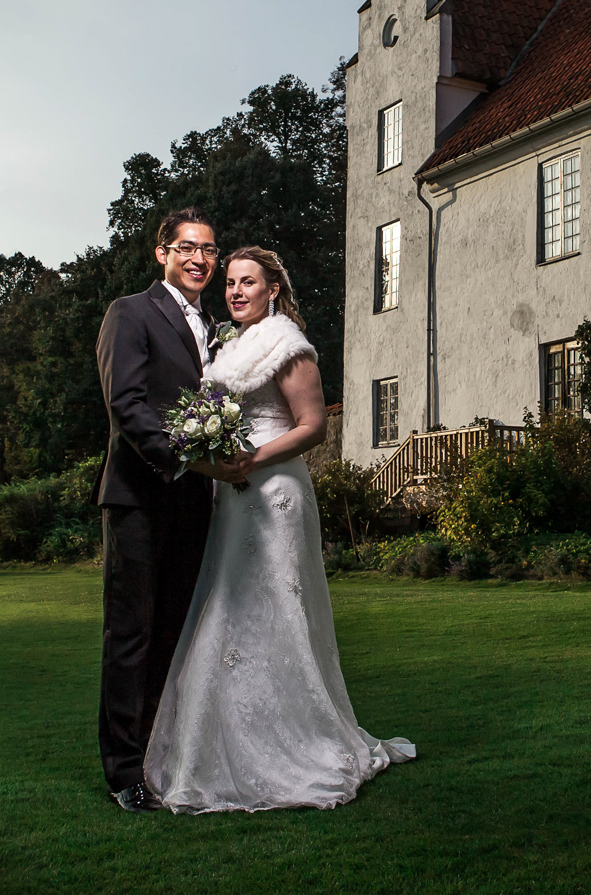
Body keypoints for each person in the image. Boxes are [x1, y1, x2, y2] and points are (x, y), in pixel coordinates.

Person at [145, 244, 415, 812]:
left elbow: (313, 427)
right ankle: (214, 745)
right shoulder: (226, 349)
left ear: (274, 289)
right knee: (227, 607)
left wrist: (252, 459)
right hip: (232, 493)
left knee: (277, 609)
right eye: (231, 283)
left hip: (273, 493)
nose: (237, 291)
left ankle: (299, 740)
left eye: (249, 282)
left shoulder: (289, 346)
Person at [94, 207, 249, 813]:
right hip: (139, 497)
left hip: (194, 505)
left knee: (172, 637)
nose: (200, 259)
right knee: (130, 637)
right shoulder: (130, 313)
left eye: (209, 250)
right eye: (187, 247)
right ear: (162, 253)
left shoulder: (213, 327)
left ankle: (159, 756)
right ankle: (124, 773)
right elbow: (127, 405)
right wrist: (192, 462)